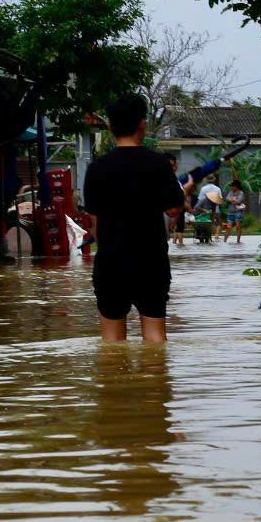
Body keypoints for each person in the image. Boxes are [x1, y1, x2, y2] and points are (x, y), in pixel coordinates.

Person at [82, 92, 187, 343]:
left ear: (111, 126)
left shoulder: (97, 168)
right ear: (142, 123)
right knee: (154, 339)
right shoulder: (159, 164)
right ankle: (153, 381)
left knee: (111, 343)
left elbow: (95, 225)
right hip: (151, 262)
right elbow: (174, 210)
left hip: (110, 263)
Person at [225, 180, 249, 244]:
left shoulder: (241, 193)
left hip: (238, 212)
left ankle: (238, 240)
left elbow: (238, 201)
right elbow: (227, 198)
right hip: (230, 212)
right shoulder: (230, 192)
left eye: (233, 186)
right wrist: (232, 200)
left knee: (238, 226)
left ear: (236, 187)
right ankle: (225, 241)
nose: (231, 188)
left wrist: (231, 200)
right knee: (228, 227)